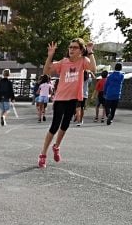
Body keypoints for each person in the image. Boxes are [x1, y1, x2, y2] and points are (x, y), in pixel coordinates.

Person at [37, 39, 95, 169]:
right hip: (61, 98)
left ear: (80, 50)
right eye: (70, 47)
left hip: (73, 98)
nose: (71, 49)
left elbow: (93, 68)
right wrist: (50, 55)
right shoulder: (63, 62)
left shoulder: (83, 61)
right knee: (54, 126)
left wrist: (90, 52)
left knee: (65, 125)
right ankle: (43, 154)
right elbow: (46, 71)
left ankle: (56, 146)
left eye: (75, 47)